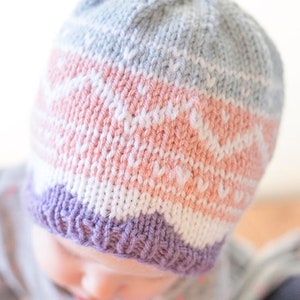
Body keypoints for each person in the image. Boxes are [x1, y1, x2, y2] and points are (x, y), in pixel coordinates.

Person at [0, 0, 287, 299]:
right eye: (69, 252)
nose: (99, 289)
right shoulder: (6, 234)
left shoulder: (207, 281)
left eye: (150, 276)